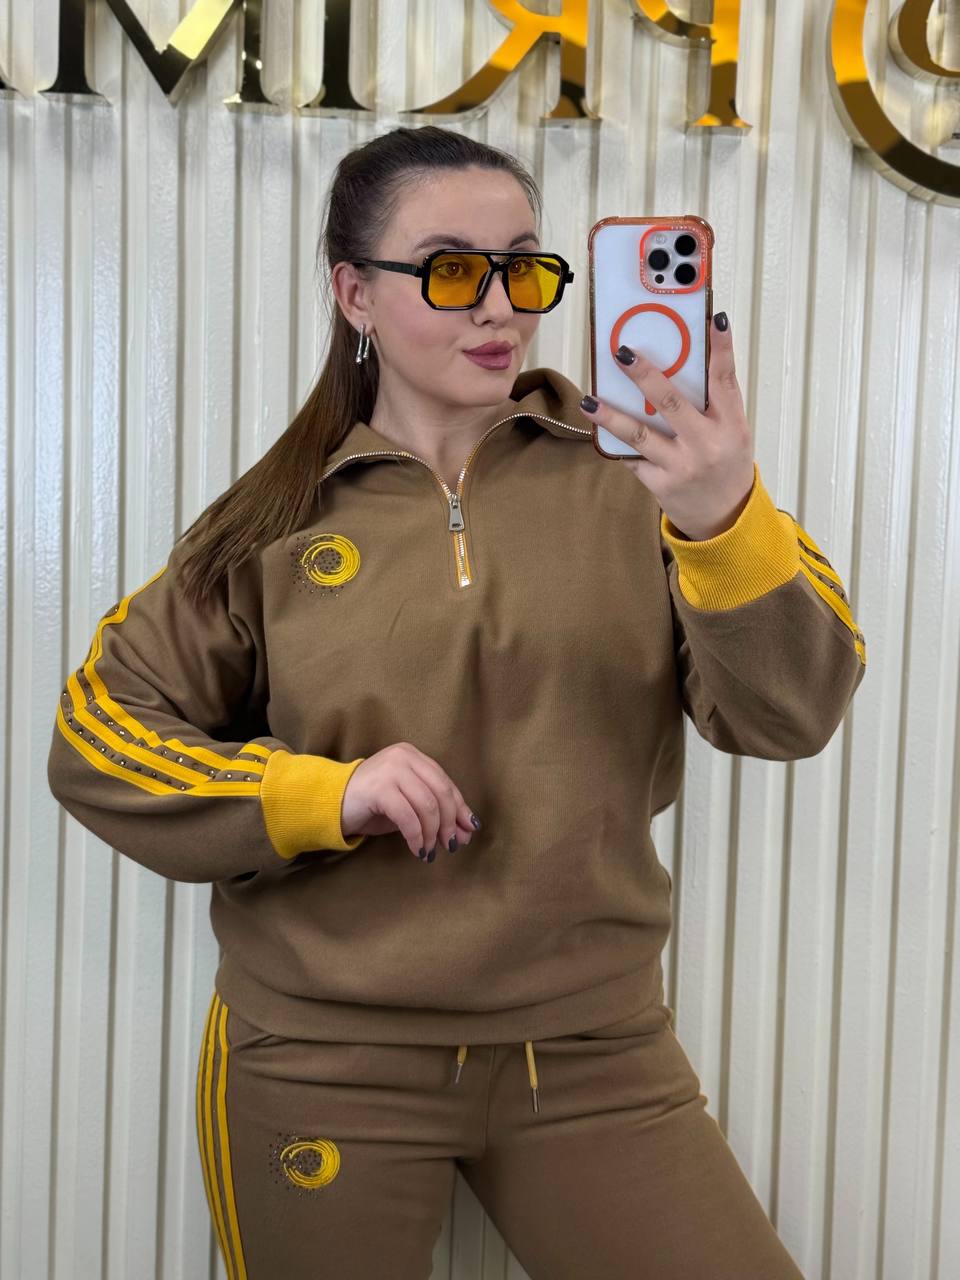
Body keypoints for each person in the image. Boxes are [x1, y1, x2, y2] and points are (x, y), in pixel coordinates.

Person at [47, 124, 866, 1279]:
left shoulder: (648, 475)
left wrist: (724, 513)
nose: (498, 307)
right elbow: (97, 736)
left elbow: (796, 711)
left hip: (589, 1046)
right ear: (355, 294)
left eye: (523, 269)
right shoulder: (275, 518)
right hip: (324, 1054)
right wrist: (322, 793)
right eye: (450, 270)